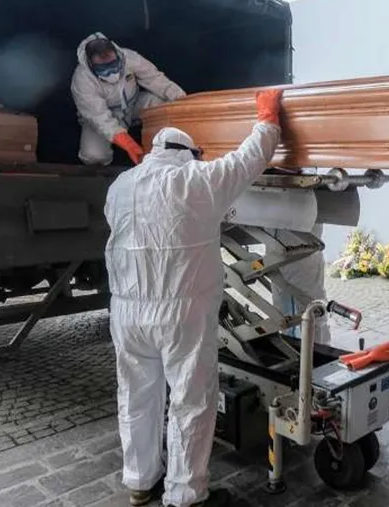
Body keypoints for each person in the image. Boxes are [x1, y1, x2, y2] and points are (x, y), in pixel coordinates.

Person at [103, 89, 283, 507]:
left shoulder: (120, 186)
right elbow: (247, 160)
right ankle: (184, 495)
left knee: (135, 394)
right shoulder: (196, 181)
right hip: (181, 312)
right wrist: (269, 120)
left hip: (127, 312)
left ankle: (140, 480)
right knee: (190, 399)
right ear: (188, 153)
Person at [72, 32, 186, 166]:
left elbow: (155, 79)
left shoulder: (130, 58)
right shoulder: (82, 79)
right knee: (94, 156)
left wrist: (182, 101)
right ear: (91, 64)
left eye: (113, 64)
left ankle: (167, 145)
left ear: (117, 55)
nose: (111, 71)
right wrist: (130, 145)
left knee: (161, 104)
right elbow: (99, 117)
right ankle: (103, 170)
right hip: (101, 116)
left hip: (132, 105)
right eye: (104, 68)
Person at [267, 223, 331, 345]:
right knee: (286, 312)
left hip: (297, 253)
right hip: (279, 254)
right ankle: (301, 351)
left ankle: (316, 355)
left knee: (310, 309)